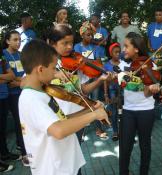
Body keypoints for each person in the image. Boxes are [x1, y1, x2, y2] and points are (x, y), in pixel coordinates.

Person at [19, 39, 109, 175]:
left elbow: (62, 119)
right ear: (41, 69)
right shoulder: (31, 98)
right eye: (54, 68)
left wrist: (90, 110)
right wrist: (94, 115)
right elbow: (59, 130)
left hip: (63, 164)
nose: (56, 72)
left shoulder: (42, 93)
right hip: (53, 169)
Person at [120, 32, 160, 175]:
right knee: (125, 146)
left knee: (145, 145)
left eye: (126, 46)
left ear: (136, 48)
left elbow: (146, 93)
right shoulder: (123, 64)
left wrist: (151, 89)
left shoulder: (150, 64)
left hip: (146, 110)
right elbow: (122, 84)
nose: (123, 49)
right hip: (128, 110)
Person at [74, 22, 108, 140]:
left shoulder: (95, 47)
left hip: (93, 76)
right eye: (88, 35)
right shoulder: (77, 47)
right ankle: (81, 129)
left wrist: (90, 64)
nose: (90, 37)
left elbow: (98, 62)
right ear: (82, 35)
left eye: (91, 35)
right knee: (83, 102)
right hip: (82, 78)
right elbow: (76, 61)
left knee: (94, 102)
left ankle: (98, 128)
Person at [2, 30, 29, 166]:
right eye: (15, 40)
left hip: (23, 91)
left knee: (24, 123)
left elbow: (25, 76)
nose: (18, 42)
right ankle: (25, 153)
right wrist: (19, 81)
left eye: (19, 40)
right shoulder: (3, 55)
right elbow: (8, 79)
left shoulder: (21, 55)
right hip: (11, 95)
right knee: (20, 123)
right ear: (7, 41)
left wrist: (19, 82)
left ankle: (22, 145)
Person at [0, 45, 16, 173]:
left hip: (4, 96)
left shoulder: (2, 58)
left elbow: (11, 76)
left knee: (2, 129)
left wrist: (2, 78)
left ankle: (4, 154)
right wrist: (4, 77)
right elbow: (8, 76)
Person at [103, 42, 121, 141]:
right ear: (111, 53)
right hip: (112, 90)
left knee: (123, 112)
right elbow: (105, 81)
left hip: (122, 90)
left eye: (119, 52)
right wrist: (106, 95)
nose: (118, 54)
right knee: (114, 112)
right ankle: (115, 131)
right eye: (115, 52)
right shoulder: (106, 65)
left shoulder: (123, 64)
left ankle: (124, 131)